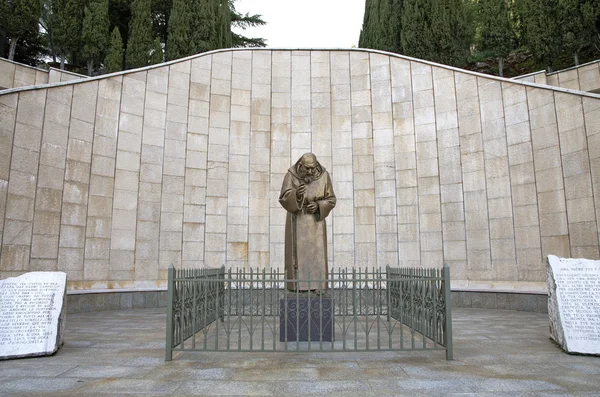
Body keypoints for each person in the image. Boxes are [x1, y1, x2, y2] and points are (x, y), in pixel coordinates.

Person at [279, 153, 336, 291]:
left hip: (316, 222)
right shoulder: (291, 176)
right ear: (300, 165)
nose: (310, 171)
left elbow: (331, 199)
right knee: (298, 258)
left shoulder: (324, 176)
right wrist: (296, 195)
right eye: (307, 168)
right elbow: (283, 197)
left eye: (313, 168)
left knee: (317, 255)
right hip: (297, 221)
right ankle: (298, 286)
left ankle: (318, 286)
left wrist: (318, 206)